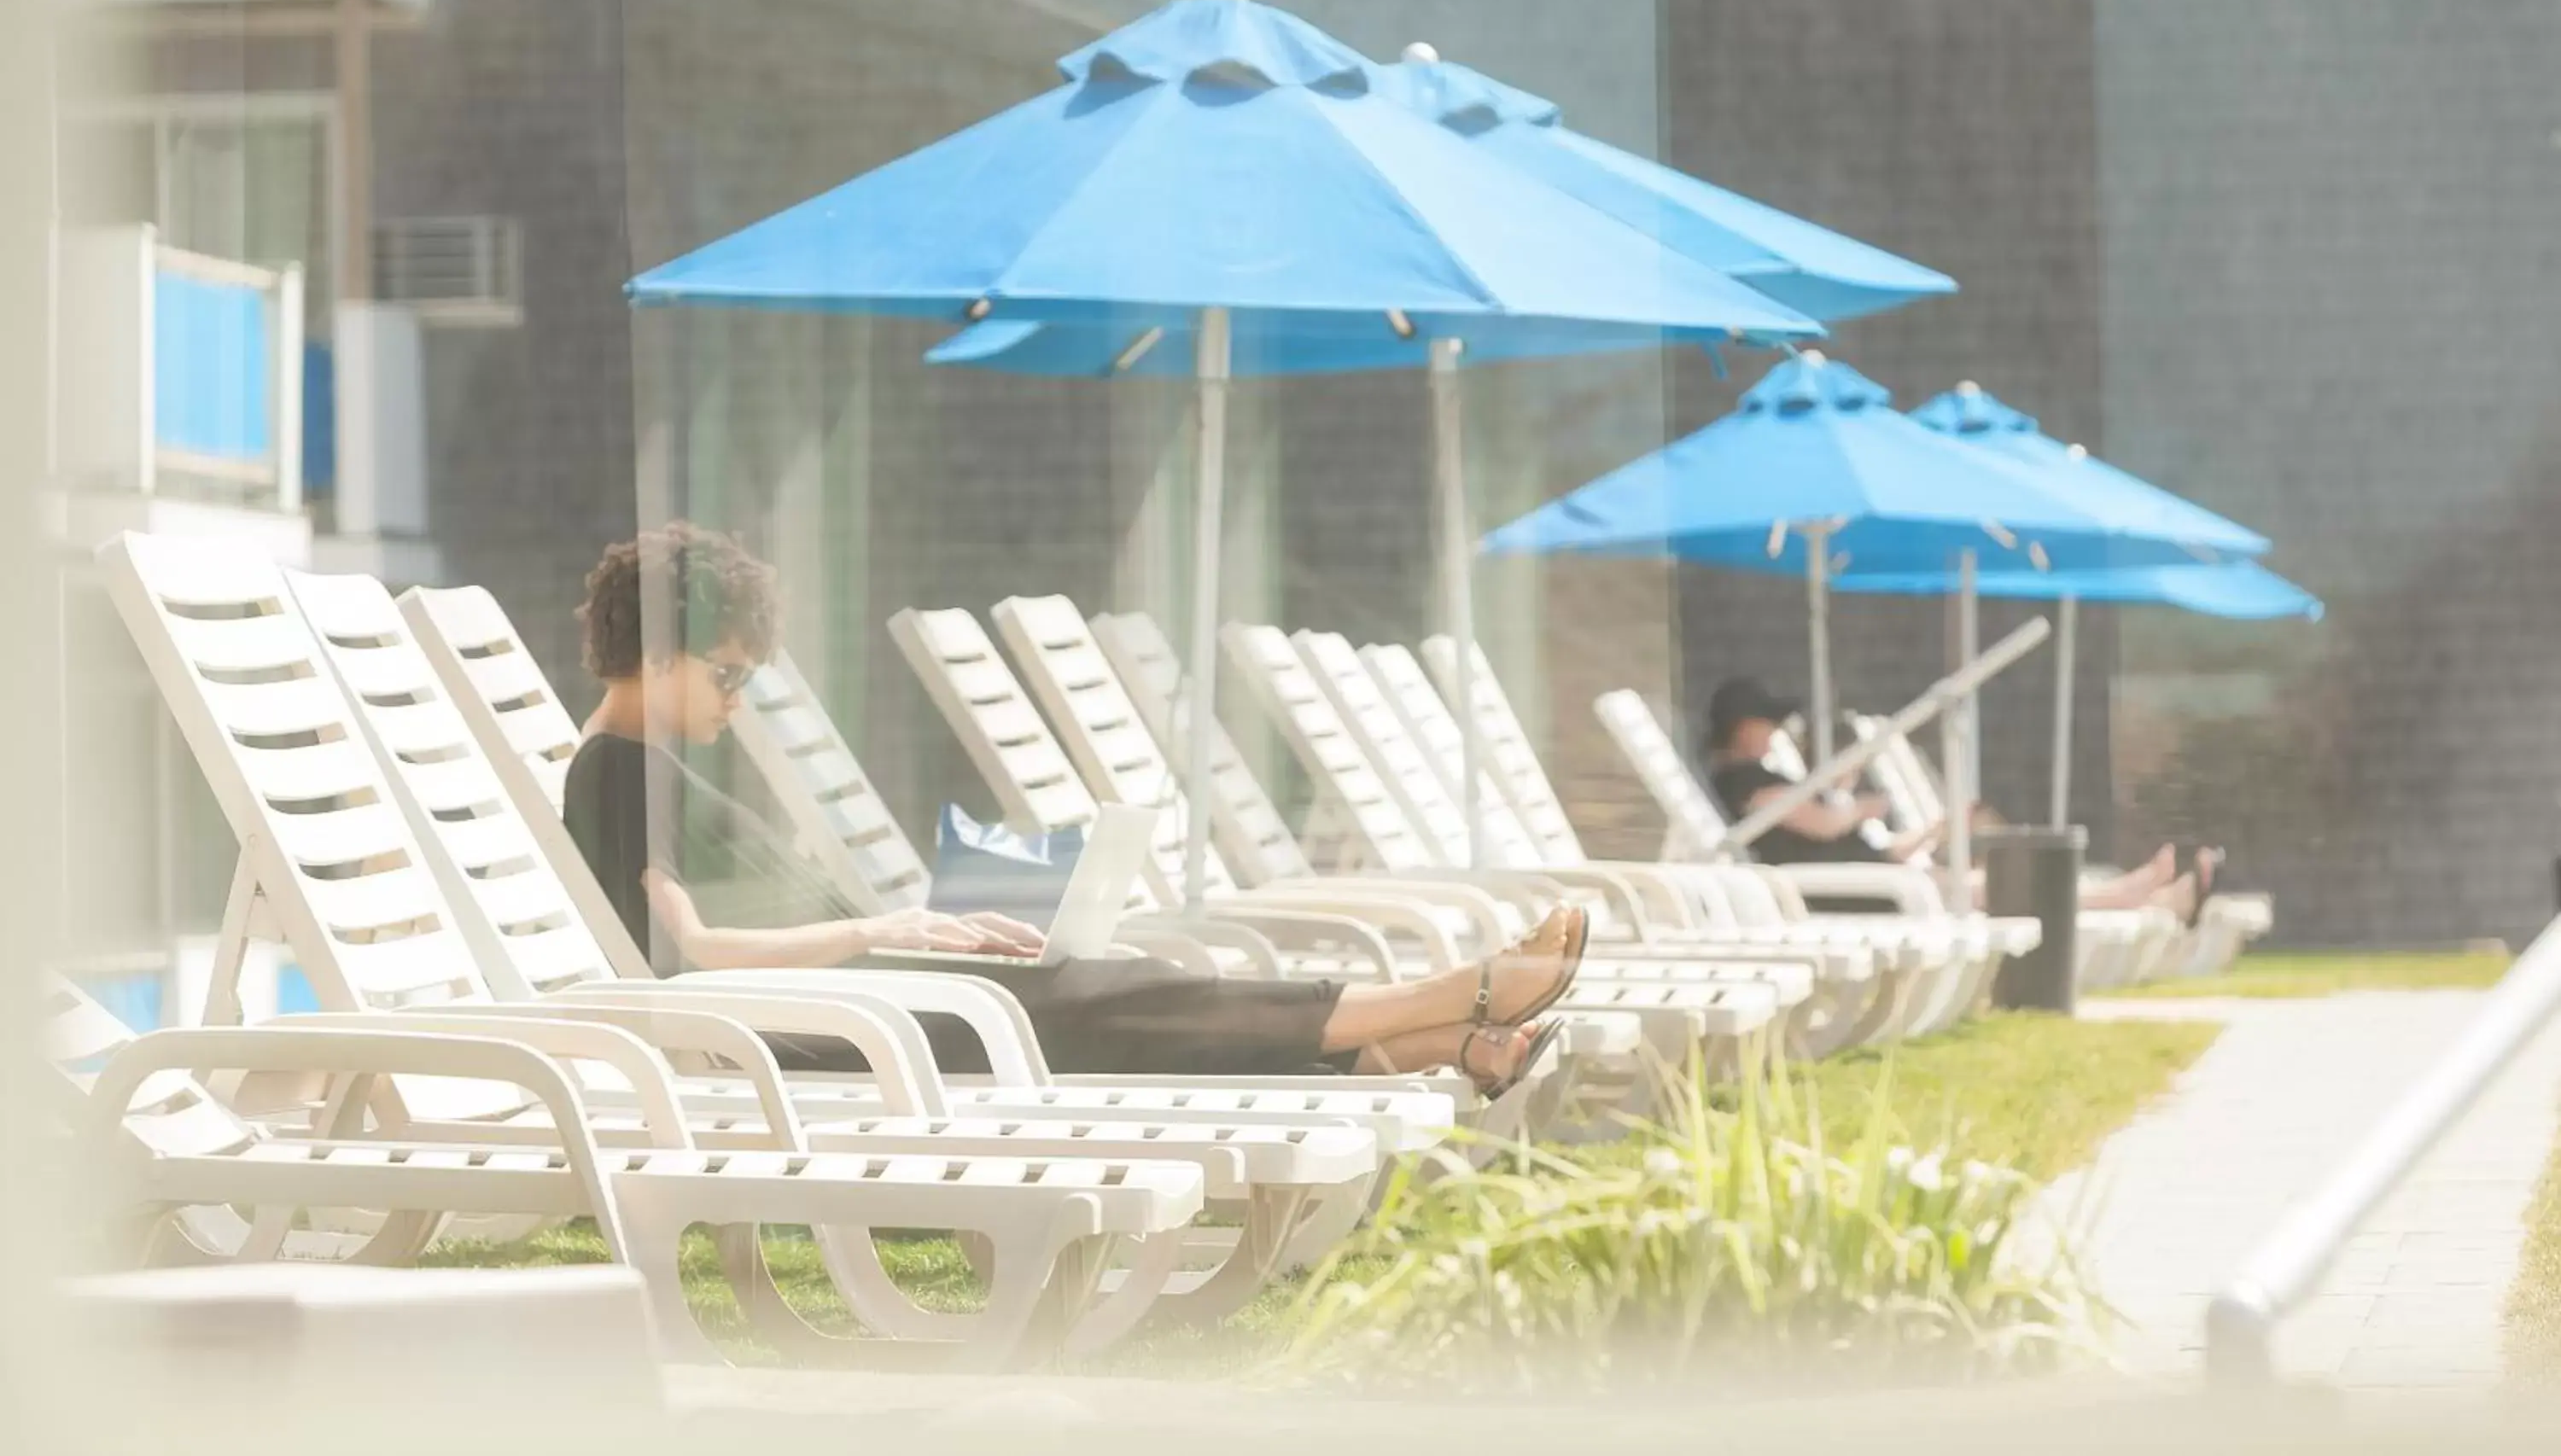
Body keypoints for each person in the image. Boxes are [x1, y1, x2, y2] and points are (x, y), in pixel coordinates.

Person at [558, 522, 1581, 1096]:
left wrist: (929, 921)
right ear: (655, 655)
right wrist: (881, 928)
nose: (737, 699)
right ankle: (1451, 996)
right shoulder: (613, 771)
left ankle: (1437, 1041)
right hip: (824, 1030)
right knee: (1108, 996)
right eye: (728, 673)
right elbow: (685, 950)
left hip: (862, 1000)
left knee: (1127, 988)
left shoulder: (656, 769)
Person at [1699, 675, 2217, 919]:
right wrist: (1856, 805)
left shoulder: (1766, 777)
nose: (1775, 730)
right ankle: (2135, 898)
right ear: (1743, 727)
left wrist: (1937, 830)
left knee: (1988, 885)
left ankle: (2145, 900)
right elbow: (1824, 828)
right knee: (1993, 888)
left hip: (1876, 876)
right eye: (1767, 721)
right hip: (1845, 891)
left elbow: (1868, 844)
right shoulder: (1745, 782)